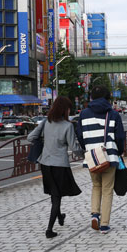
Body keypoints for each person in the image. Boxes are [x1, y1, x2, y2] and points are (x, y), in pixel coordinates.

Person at [27, 96, 83, 239]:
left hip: (45, 164)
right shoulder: (68, 126)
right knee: (57, 197)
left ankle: (60, 215)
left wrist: (44, 141)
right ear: (65, 109)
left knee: (54, 193)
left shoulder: (46, 122)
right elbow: (74, 147)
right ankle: (49, 229)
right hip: (60, 165)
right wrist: (85, 153)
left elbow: (30, 138)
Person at [76, 86, 126, 234]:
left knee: (96, 186)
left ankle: (95, 214)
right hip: (109, 156)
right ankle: (104, 224)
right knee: (107, 190)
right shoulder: (113, 114)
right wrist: (118, 152)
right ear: (107, 97)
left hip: (92, 156)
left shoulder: (83, 114)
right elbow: (120, 137)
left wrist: (89, 148)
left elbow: (80, 135)